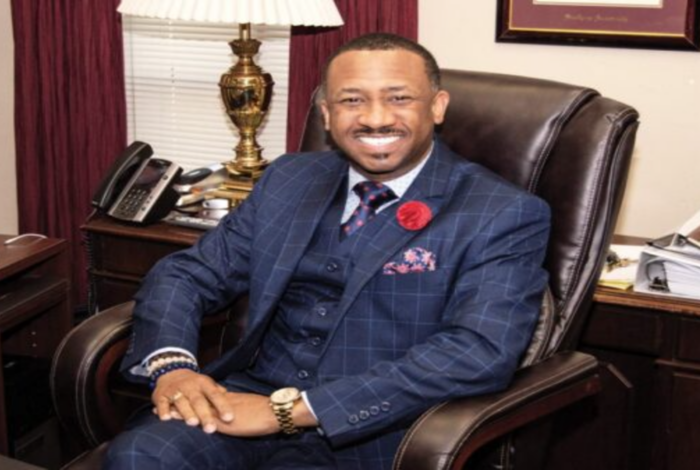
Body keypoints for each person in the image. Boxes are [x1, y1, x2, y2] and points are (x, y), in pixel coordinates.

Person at [105, 32, 550, 470]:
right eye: (352, 101)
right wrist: (174, 369)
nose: (375, 119)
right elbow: (187, 274)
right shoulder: (289, 179)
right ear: (326, 113)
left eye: (399, 98)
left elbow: (478, 351)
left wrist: (288, 412)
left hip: (376, 431)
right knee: (139, 456)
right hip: (243, 400)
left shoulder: (503, 212)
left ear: (437, 107)